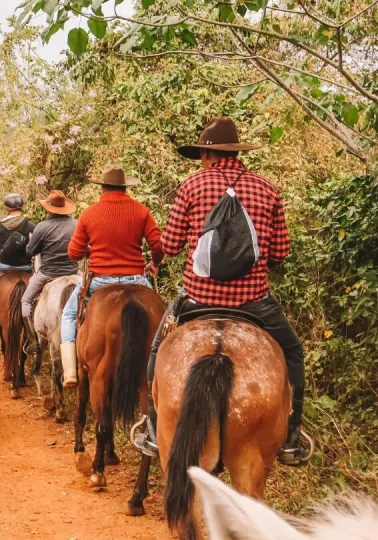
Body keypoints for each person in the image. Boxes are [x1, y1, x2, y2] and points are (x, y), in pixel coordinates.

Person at [137, 116, 308, 466]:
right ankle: (291, 434)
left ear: (207, 154)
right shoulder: (267, 188)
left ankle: (154, 429)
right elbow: (280, 253)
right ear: (235, 151)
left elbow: (168, 244)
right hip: (254, 301)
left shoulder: (191, 186)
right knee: (293, 352)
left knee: (157, 349)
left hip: (196, 298)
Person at [60, 165, 164, 387]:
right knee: (165, 318)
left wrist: (89, 250)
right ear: (125, 187)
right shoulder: (142, 211)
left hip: (99, 280)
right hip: (136, 278)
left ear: (103, 188)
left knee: (68, 315)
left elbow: (74, 253)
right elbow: (157, 244)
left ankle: (70, 371)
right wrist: (154, 262)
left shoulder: (89, 213)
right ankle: (160, 371)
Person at [21, 190, 78, 367]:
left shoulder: (42, 227)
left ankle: (32, 341)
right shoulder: (76, 224)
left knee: (25, 300)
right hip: (74, 273)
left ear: (49, 209)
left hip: (47, 273)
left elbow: (30, 251)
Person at [0, 194, 36, 326]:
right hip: (25, 267)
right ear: (22, 207)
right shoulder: (31, 225)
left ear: (6, 208)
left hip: (3, 266)